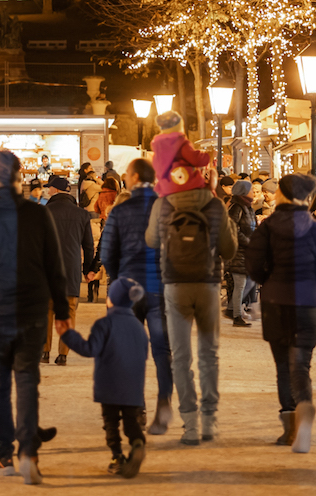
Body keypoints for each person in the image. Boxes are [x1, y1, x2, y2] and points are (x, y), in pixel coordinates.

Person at [0, 149, 68, 483]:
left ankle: (2, 453)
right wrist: (62, 311)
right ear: (19, 176)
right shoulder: (38, 214)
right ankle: (29, 453)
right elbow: (55, 264)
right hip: (33, 310)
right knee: (27, 381)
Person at [144, 138, 235, 446]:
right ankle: (211, 421)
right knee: (209, 354)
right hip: (208, 284)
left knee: (181, 357)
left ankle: (191, 425)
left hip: (174, 284)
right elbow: (229, 249)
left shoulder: (163, 202)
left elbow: (152, 241)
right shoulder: (214, 203)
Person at [244, 172, 316, 452]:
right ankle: (304, 409)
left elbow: (253, 265)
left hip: (276, 301)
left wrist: (268, 278)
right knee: (301, 364)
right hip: (307, 303)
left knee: (283, 365)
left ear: (281, 194)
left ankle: (290, 427)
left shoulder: (268, 227)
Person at [101, 157, 175, 435]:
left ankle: (137, 408)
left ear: (132, 178)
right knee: (162, 351)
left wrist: (119, 278)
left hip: (128, 291)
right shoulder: (167, 207)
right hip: (161, 287)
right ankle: (164, 400)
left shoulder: (121, 210)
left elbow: (107, 253)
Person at [62, 276, 151, 478]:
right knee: (131, 421)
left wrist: (69, 334)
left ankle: (117, 457)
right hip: (133, 387)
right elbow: (144, 354)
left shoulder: (104, 323)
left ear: (111, 299)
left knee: (111, 423)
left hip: (109, 385)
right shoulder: (139, 328)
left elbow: (89, 349)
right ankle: (137, 443)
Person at [43, 174, 98, 365]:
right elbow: (89, 246)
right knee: (68, 311)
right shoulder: (81, 214)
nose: (47, 190)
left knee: (47, 310)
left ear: (55, 190)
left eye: (49, 188)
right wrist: (87, 269)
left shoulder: (44, 212)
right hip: (72, 268)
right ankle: (63, 354)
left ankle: (44, 352)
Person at [151, 109, 210, 197]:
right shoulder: (180, 142)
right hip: (186, 185)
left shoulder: (158, 146)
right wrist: (208, 156)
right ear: (179, 126)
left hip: (166, 189)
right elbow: (195, 159)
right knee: (212, 199)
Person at [226, 179, 257, 327]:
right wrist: (248, 242)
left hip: (247, 250)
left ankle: (232, 308)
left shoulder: (248, 207)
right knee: (240, 283)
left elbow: (252, 226)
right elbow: (233, 228)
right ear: (244, 192)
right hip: (238, 251)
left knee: (249, 281)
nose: (253, 193)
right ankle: (236, 315)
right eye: (251, 190)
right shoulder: (236, 207)